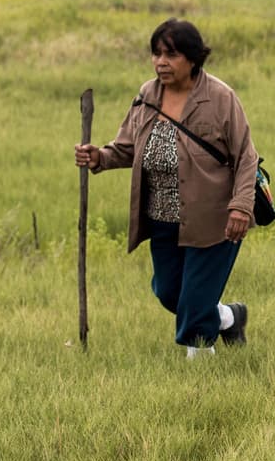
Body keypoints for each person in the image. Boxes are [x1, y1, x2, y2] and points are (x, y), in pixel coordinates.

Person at [74, 19, 257, 357]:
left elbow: (246, 155)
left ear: (192, 58)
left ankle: (199, 377)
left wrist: (241, 206)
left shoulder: (219, 98)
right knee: (170, 292)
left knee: (194, 301)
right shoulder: (147, 95)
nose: (161, 62)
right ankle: (230, 317)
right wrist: (99, 156)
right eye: (156, 54)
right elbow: (128, 147)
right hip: (162, 218)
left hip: (214, 218)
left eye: (170, 55)